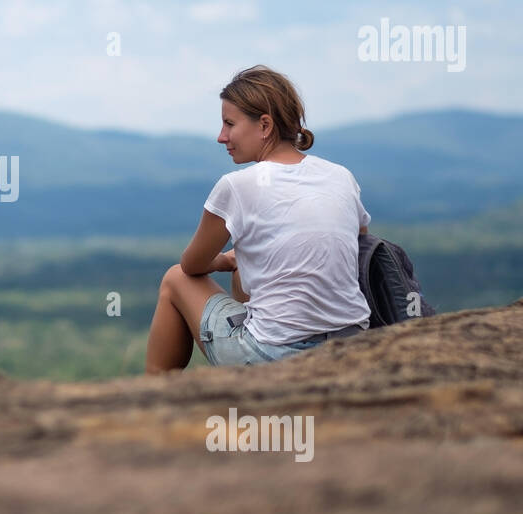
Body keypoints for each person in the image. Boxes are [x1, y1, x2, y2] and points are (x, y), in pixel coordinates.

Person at [145, 65, 373, 373]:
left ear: (265, 125)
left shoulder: (237, 186)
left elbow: (192, 266)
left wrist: (226, 261)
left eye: (229, 124)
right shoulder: (340, 176)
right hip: (351, 344)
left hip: (274, 353)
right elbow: (359, 235)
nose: (221, 136)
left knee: (175, 279)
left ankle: (155, 395)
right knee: (246, 265)